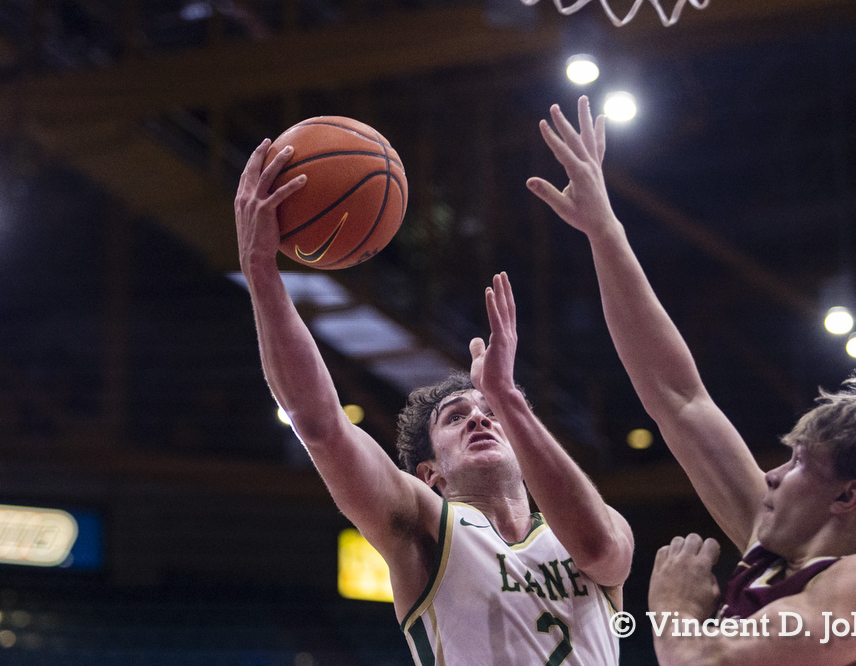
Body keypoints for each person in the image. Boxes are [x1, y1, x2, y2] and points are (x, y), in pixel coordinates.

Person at [528, 95, 856, 665]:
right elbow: (678, 398)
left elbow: (706, 663)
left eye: (801, 462)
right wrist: (604, 231)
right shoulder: (771, 552)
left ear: (849, 495)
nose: (773, 474)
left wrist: (673, 608)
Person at [234, 139, 634, 665]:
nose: (478, 418)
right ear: (431, 474)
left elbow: (601, 553)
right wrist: (261, 269)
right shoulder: (423, 526)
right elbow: (321, 426)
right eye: (456, 417)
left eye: (488, 413)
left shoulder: (599, 522)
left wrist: (507, 396)